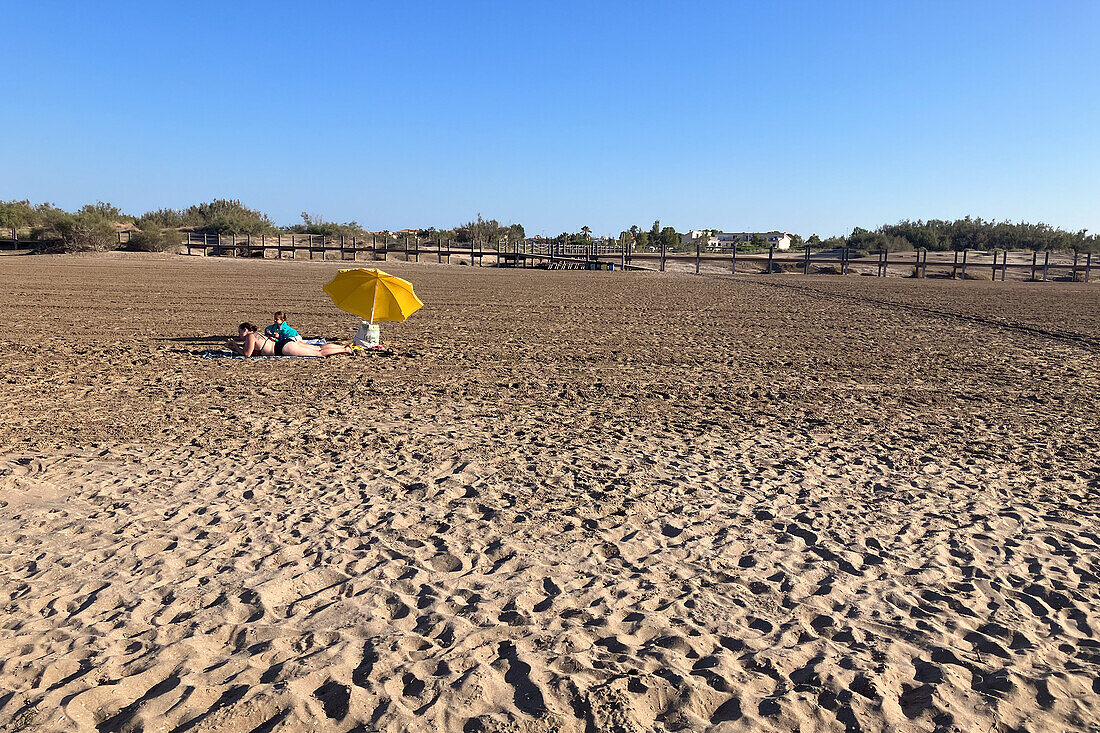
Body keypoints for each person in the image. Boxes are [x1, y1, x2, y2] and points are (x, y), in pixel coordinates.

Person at [226, 323, 353, 357]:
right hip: (284, 344)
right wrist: (236, 347)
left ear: (245, 330)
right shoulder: (257, 334)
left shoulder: (250, 336)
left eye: (239, 331)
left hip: (282, 349)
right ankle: (343, 348)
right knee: (317, 348)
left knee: (318, 352)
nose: (239, 334)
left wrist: (236, 347)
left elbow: (247, 354)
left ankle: (345, 350)